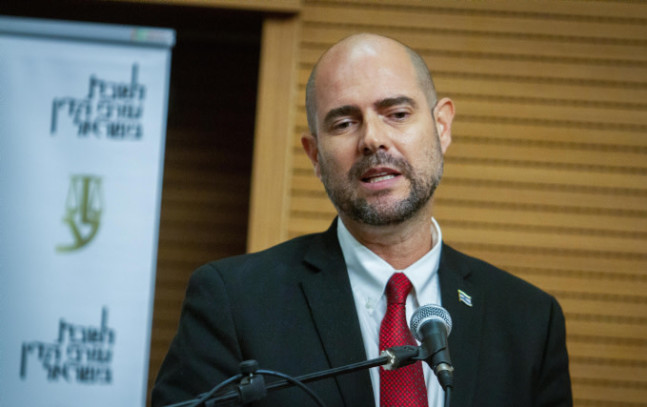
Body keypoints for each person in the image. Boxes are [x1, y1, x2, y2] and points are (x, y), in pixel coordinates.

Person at [152, 33, 572, 407]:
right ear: (315, 156)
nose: (372, 139)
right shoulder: (233, 302)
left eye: (397, 114)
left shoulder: (529, 320)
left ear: (442, 126)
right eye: (345, 123)